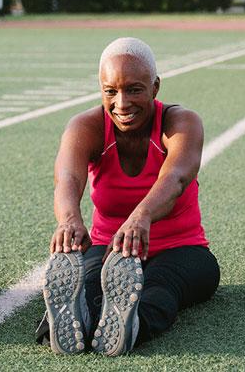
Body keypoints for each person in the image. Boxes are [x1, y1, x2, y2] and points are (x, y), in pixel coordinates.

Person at [39, 37, 220, 356]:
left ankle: (132, 325)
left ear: (155, 87)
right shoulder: (87, 126)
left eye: (134, 89)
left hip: (180, 248)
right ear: (101, 89)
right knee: (94, 283)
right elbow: (67, 177)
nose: (121, 103)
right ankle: (71, 321)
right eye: (111, 91)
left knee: (160, 285)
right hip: (110, 248)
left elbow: (176, 177)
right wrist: (69, 221)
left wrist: (141, 218)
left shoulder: (180, 123)